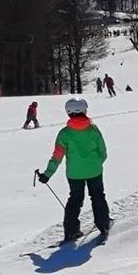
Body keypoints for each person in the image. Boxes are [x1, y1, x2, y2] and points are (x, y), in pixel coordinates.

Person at [38, 98, 110, 242]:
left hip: (74, 174)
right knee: (98, 196)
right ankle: (103, 225)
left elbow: (57, 156)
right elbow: (103, 152)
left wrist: (47, 174)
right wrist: (96, 164)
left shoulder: (64, 134)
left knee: (75, 199)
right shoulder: (94, 130)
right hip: (94, 171)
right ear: (84, 110)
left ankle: (71, 231)